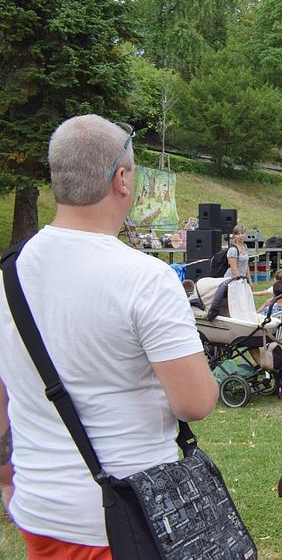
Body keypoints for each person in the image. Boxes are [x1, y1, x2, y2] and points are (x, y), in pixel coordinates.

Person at [0, 114, 218, 553]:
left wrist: (8, 479)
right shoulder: (147, 279)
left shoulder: (8, 274)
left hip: (39, 510)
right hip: (127, 515)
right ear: (121, 179)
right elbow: (195, 403)